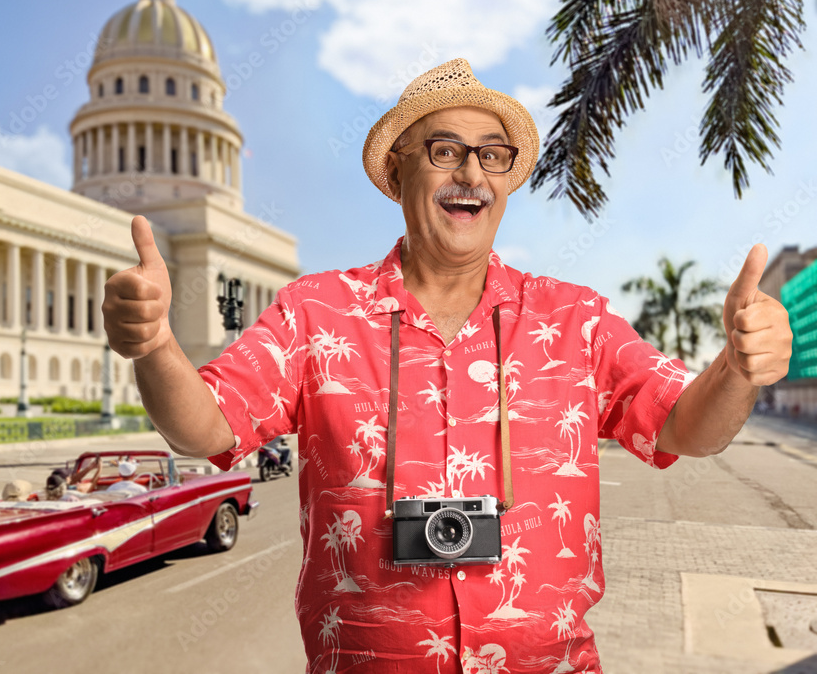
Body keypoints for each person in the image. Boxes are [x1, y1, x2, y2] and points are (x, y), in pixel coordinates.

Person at [102, 58, 793, 673]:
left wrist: (736, 367)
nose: (471, 174)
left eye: (493, 156)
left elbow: (686, 429)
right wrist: (156, 346)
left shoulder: (575, 321)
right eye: (446, 150)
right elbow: (204, 427)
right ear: (397, 169)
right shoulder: (314, 314)